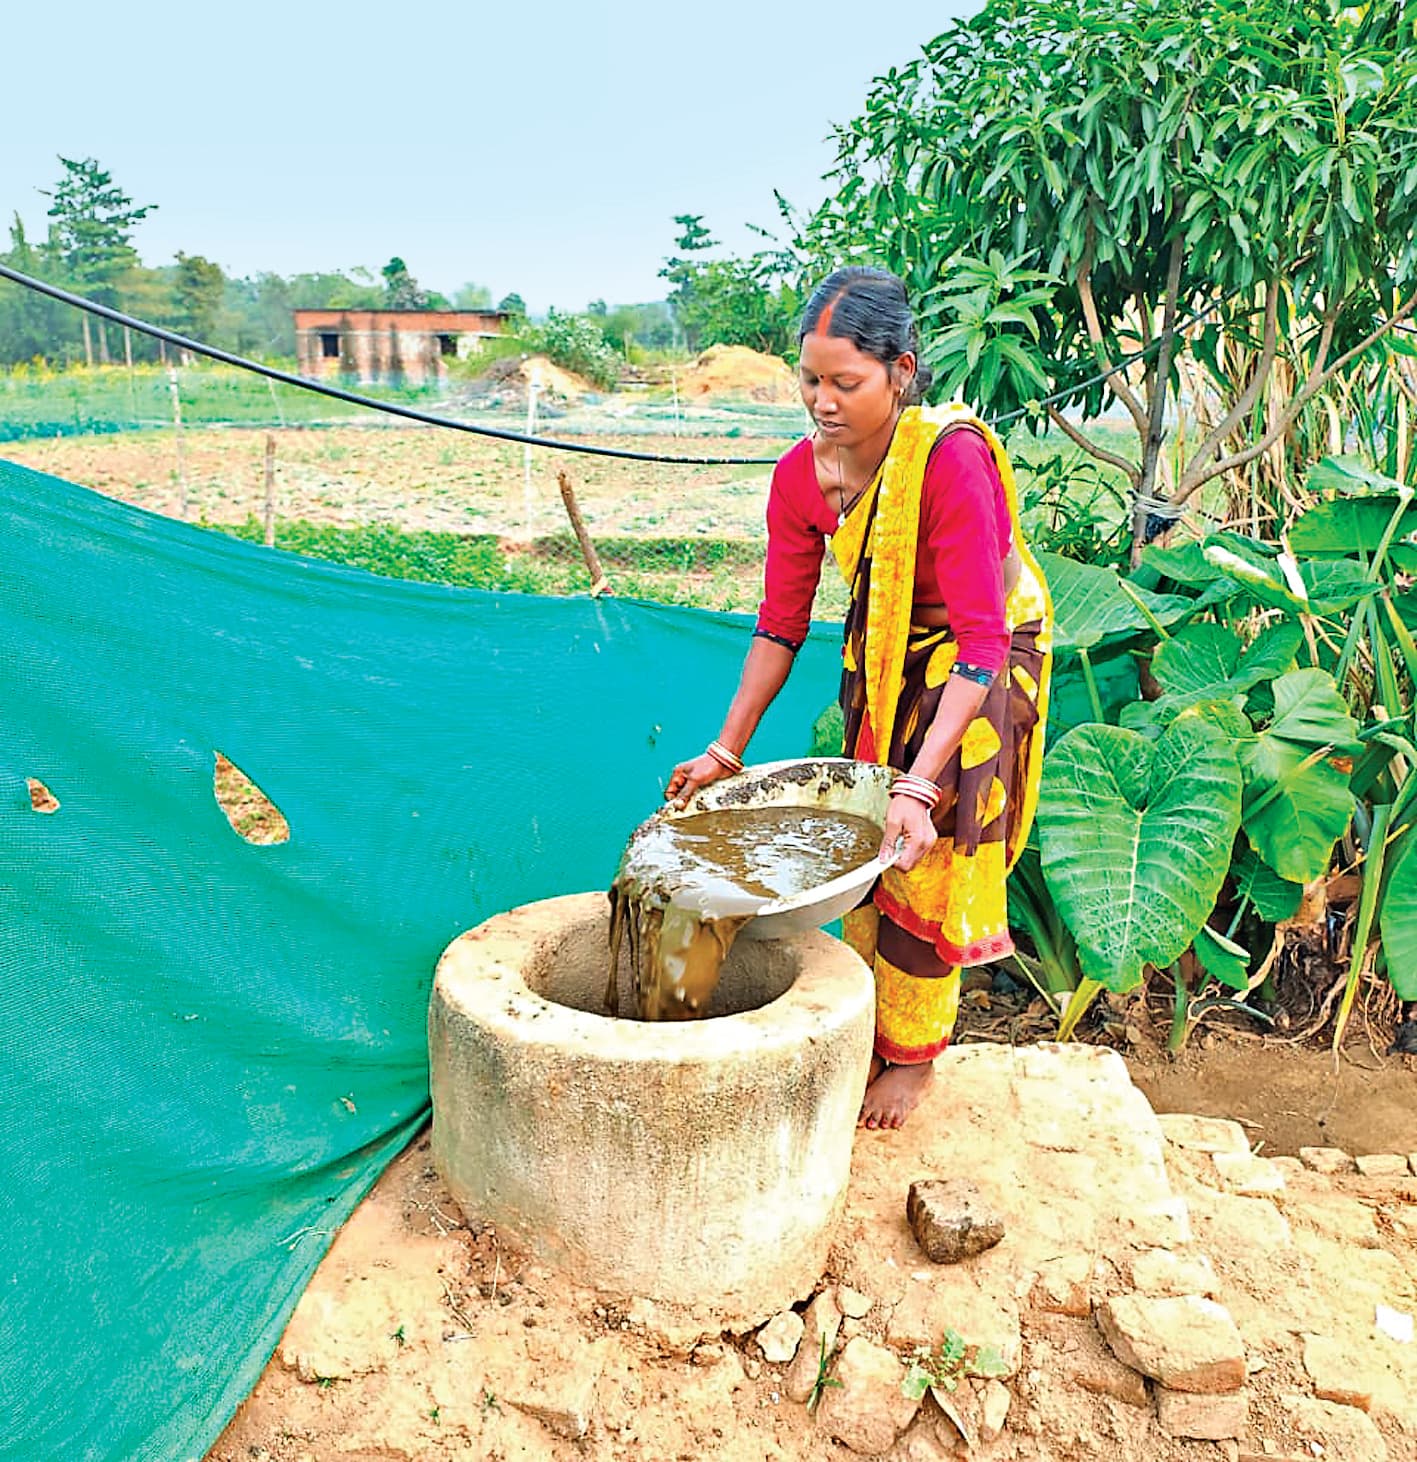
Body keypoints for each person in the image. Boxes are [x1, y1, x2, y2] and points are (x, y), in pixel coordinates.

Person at [666, 266, 1053, 1130]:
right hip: (886, 653)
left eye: (846, 382)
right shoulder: (800, 479)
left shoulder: (947, 461)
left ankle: (914, 1060)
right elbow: (778, 624)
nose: (822, 401)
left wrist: (919, 783)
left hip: (983, 661)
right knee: (868, 845)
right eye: (810, 379)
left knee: (927, 842)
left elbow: (981, 639)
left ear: (900, 372)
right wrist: (724, 752)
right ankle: (883, 1029)